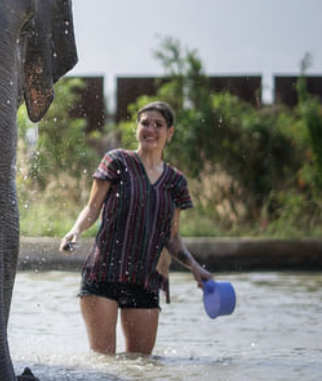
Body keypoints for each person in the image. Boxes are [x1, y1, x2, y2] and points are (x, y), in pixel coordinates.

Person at [59, 101, 213, 355]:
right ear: (137, 128)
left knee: (141, 365)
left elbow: (172, 238)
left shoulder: (175, 181)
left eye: (158, 125)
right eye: (145, 123)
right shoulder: (116, 161)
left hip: (145, 280)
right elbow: (92, 208)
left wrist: (195, 267)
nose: (150, 129)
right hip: (103, 274)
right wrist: (75, 230)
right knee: (104, 363)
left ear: (169, 132)